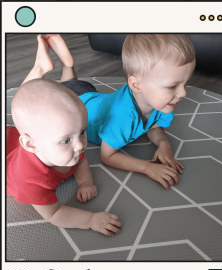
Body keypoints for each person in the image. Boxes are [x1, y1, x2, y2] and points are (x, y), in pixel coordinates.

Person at [7, 34, 122, 237]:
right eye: (66, 140)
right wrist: (91, 220)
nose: (80, 146)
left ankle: (40, 68)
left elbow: (81, 163)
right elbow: (55, 213)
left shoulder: (67, 149)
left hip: (16, 138)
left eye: (82, 132)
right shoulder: (30, 179)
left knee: (30, 110)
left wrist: (86, 182)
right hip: (11, 152)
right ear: (32, 145)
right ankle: (39, 68)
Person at [60, 34, 196, 190]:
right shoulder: (121, 117)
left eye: (186, 83)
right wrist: (148, 168)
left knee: (73, 85)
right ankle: (66, 65)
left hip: (93, 97)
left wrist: (164, 144)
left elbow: (155, 127)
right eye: (172, 86)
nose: (183, 93)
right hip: (76, 103)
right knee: (65, 89)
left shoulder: (164, 102)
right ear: (137, 85)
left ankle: (68, 68)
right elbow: (107, 156)